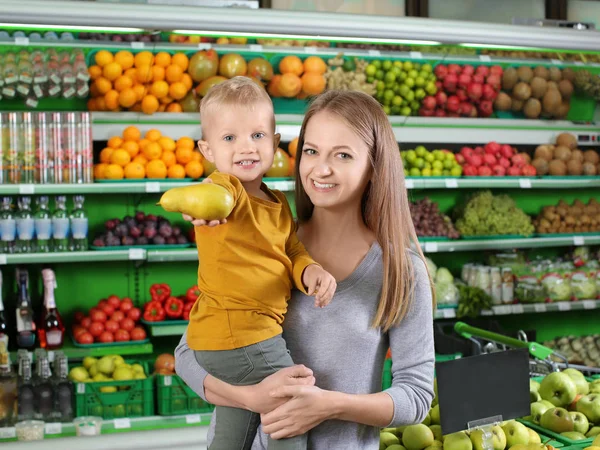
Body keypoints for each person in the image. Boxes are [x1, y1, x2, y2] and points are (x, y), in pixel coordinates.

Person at [176, 89, 435, 450]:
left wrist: (330, 405)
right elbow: (187, 355)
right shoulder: (261, 240)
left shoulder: (401, 271)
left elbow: (417, 397)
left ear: (375, 165)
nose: (320, 169)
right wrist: (251, 398)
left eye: (342, 155)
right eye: (311, 151)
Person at [186, 77, 337, 450]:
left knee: (234, 431)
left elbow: (291, 251)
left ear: (274, 141)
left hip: (231, 339)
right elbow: (214, 196)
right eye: (229, 139)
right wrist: (201, 209)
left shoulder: (277, 202)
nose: (245, 148)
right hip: (245, 336)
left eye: (256, 135)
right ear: (207, 149)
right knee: (293, 408)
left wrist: (310, 271)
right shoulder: (228, 190)